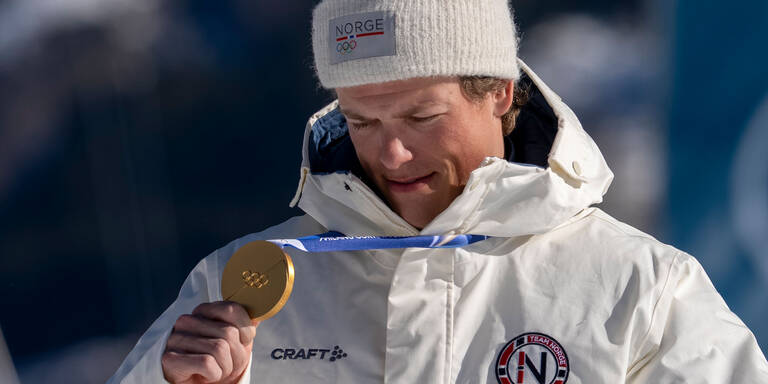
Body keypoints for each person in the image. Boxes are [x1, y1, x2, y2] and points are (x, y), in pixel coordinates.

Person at [108, 1, 768, 383]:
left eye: (422, 118)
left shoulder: (641, 290)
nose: (390, 152)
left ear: (500, 92)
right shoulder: (237, 289)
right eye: (361, 122)